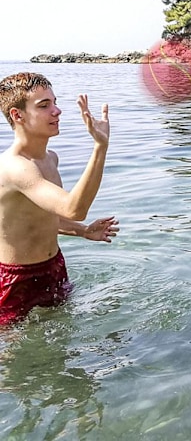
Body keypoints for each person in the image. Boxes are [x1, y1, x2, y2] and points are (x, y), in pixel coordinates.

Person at [0, 72, 118, 325]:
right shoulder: (15, 168)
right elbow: (73, 208)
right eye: (44, 106)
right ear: (17, 115)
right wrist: (100, 147)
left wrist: (82, 231)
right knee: (13, 358)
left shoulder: (50, 158)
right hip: (16, 279)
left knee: (59, 349)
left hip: (54, 267)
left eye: (54, 102)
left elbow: (45, 216)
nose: (57, 111)